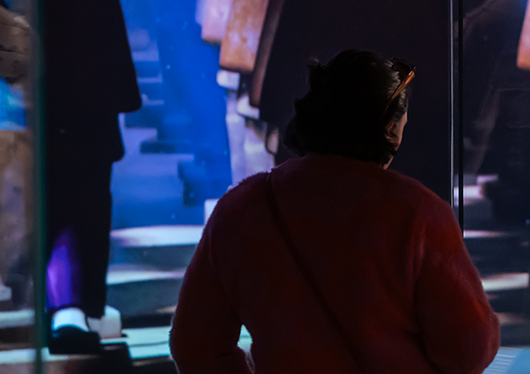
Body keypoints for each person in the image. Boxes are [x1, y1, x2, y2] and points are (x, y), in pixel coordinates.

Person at [170, 50, 500, 374]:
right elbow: (467, 350)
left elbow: (196, 347)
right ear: (389, 130)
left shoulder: (242, 209)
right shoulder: (419, 214)